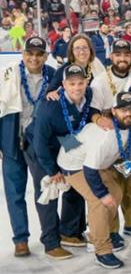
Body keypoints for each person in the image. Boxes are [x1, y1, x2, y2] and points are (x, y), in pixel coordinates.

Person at [56, 91, 131, 269]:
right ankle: (101, 249)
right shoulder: (105, 135)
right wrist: (102, 194)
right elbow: (89, 169)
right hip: (74, 164)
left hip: (93, 160)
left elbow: (117, 156)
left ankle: (97, 231)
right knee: (100, 201)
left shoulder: (126, 128)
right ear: (113, 111)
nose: (128, 113)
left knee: (116, 192)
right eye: (123, 110)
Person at [26, 63, 102, 256]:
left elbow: (89, 113)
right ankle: (51, 243)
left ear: (87, 82)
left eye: (80, 83)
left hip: (67, 142)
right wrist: (52, 170)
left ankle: (69, 232)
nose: (77, 87)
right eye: (71, 83)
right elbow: (40, 143)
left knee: (76, 184)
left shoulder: (90, 95)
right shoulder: (50, 106)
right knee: (49, 191)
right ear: (63, 85)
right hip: (41, 147)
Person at [0, 37, 58, 257]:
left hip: (40, 144)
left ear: (45, 56)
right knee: (15, 192)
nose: (34, 58)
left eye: (38, 54)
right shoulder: (8, 74)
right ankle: (20, 239)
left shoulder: (53, 75)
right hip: (11, 140)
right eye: (29, 53)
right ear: (23, 54)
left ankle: (50, 237)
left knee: (44, 189)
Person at [89, 40, 131, 237]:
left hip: (129, 141)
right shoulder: (100, 81)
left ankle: (130, 222)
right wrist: (101, 119)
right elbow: (92, 111)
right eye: (118, 54)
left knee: (128, 184)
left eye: (126, 54)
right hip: (110, 143)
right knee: (113, 187)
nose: (122, 58)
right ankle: (112, 231)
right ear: (110, 56)